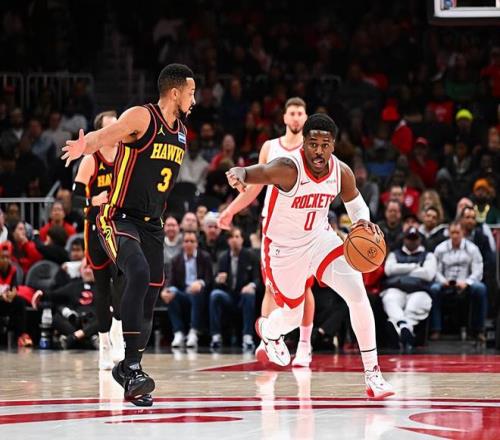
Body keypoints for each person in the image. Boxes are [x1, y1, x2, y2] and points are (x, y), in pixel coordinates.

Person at [226, 113, 394, 398]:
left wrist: (362, 222)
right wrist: (240, 173)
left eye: (325, 145)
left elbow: (356, 205)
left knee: (357, 293)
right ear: (303, 143)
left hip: (319, 239)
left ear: (333, 146)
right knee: (293, 316)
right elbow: (260, 171)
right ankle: (268, 331)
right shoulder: (288, 168)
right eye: (313, 144)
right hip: (283, 249)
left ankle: (373, 375)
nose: (318, 151)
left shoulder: (341, 172)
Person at [62, 63, 196, 406]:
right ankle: (132, 367)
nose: (194, 100)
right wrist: (85, 146)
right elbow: (107, 135)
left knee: (150, 297)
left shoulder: (181, 132)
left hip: (153, 224)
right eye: (191, 93)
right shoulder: (142, 116)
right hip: (118, 216)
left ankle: (127, 370)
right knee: (135, 272)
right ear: (175, 93)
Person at [218, 97, 315, 367]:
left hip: (302, 226)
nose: (296, 117)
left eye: (300, 113)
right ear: (284, 118)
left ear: (306, 118)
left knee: (305, 286)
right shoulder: (270, 147)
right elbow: (254, 188)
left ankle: (304, 345)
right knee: (270, 286)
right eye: (292, 113)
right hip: (273, 226)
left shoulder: (310, 149)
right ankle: (268, 339)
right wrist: (230, 210)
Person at [73, 110, 124, 371]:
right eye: (110, 127)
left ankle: (118, 332)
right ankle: (104, 344)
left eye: (118, 126)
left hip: (121, 228)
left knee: (123, 284)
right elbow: (74, 201)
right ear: (100, 132)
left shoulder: (127, 154)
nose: (116, 130)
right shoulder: (91, 160)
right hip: (96, 229)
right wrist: (92, 200)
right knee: (102, 289)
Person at [381, 227, 437, 350]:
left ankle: (400, 328)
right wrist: (414, 266)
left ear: (420, 240)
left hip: (419, 289)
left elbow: (428, 274)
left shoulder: (429, 255)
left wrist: (400, 270)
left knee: (414, 306)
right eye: (409, 238)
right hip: (396, 287)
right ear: (404, 239)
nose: (412, 241)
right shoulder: (394, 254)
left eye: (414, 238)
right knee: (389, 299)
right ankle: (406, 328)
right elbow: (388, 270)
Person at [430, 222, 487, 342]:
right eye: (452, 233)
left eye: (457, 233)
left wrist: (467, 282)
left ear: (463, 233)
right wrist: (443, 281)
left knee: (480, 288)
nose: (455, 236)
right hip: (445, 282)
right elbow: (435, 270)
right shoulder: (440, 248)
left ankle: (478, 330)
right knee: (433, 289)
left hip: (465, 282)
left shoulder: (472, 249)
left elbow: (478, 271)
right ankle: (435, 329)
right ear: (449, 234)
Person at [209, 227, 259, 351]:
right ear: (228, 241)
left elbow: (257, 279)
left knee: (249, 295)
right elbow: (214, 281)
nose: (234, 240)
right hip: (229, 296)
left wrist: (251, 285)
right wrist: (218, 280)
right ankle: (216, 336)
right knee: (215, 294)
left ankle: (247, 337)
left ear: (242, 239)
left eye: (237, 237)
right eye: (232, 237)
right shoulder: (223, 257)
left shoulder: (250, 256)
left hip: (243, 295)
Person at [160, 231, 213, 348]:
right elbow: (171, 280)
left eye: (192, 241)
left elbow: (209, 279)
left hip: (200, 294)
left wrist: (200, 283)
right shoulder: (176, 259)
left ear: (197, 244)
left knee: (196, 292)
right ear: (182, 244)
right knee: (170, 295)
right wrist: (165, 290)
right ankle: (178, 332)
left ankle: (193, 332)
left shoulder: (205, 257)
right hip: (183, 293)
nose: (189, 244)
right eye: (186, 241)